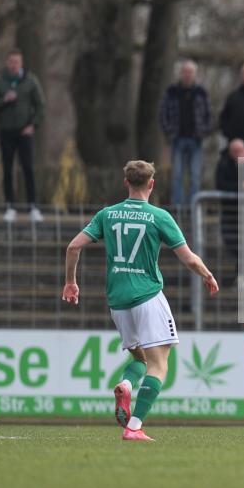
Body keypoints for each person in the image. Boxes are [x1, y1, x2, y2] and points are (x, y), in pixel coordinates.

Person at [61, 161, 219, 442]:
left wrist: (71, 282)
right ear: (151, 184)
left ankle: (126, 383)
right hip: (147, 296)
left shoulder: (107, 215)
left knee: (140, 358)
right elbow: (188, 258)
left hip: (118, 301)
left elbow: (73, 247)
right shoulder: (159, 217)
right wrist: (207, 275)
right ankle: (134, 426)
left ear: (126, 183)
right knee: (160, 365)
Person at [0, 49, 46, 223]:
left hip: (24, 132)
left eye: (17, 62)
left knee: (28, 169)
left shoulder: (30, 81)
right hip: (6, 132)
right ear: (7, 63)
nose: (14, 65)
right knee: (7, 169)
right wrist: (4, 100)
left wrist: (33, 125)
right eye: (11, 62)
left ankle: (33, 206)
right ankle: (10, 206)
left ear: (22, 63)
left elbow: (41, 106)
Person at [158, 59, 213, 207]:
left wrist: (204, 132)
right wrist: (169, 131)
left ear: (195, 74)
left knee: (195, 176)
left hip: (196, 140)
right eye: (185, 72)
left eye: (190, 72)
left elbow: (209, 115)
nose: (187, 75)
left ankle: (194, 207)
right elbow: (162, 114)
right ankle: (178, 208)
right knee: (177, 176)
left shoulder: (201, 92)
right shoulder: (172, 92)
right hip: (177, 139)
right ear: (181, 73)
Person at [215, 139, 244, 287]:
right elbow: (221, 184)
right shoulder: (223, 164)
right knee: (232, 242)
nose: (238, 154)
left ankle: (243, 276)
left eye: (240, 151)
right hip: (230, 213)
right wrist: (242, 186)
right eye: (235, 152)